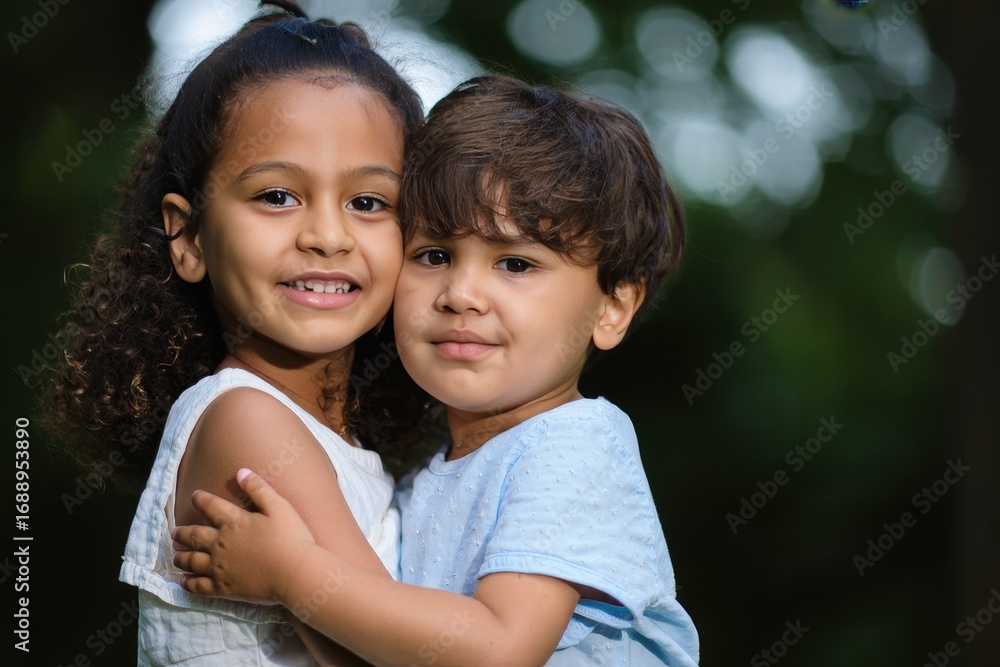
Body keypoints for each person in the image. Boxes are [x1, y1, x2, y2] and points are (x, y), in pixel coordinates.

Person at [173, 75, 700, 666]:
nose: (460, 294)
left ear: (613, 309)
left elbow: (500, 651)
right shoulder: (434, 474)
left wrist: (293, 575)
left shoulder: (574, 447)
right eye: (434, 255)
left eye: (516, 263)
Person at [42, 1, 430, 664]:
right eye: (277, 196)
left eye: (368, 202)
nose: (327, 236)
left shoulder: (324, 435)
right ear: (189, 238)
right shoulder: (247, 422)